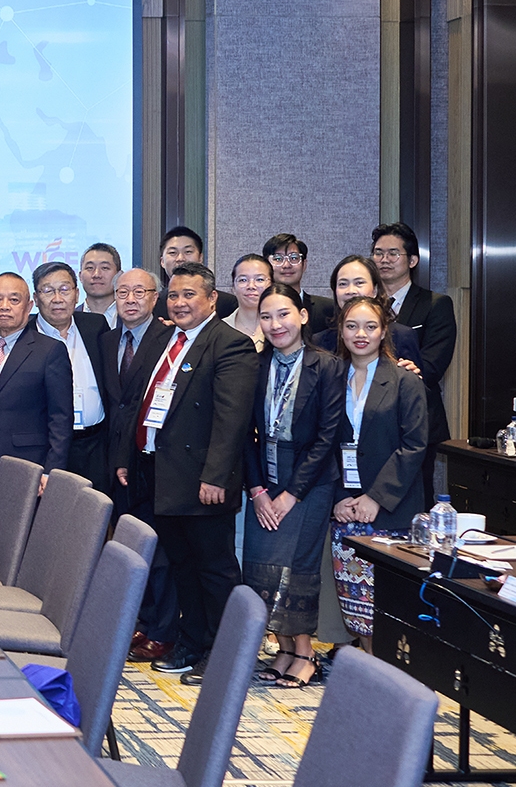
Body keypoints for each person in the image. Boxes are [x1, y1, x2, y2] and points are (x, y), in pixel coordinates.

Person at [109, 261, 258, 678]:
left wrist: (215, 476)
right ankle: (191, 642)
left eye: (189, 294)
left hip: (202, 480)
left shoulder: (230, 344)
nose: (179, 303)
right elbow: (139, 403)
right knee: (182, 568)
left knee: (214, 571)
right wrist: (128, 456)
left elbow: (232, 420)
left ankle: (224, 654)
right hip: (159, 473)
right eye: (173, 295)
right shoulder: (166, 340)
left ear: (212, 299)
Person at [242, 284, 345, 689]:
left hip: (309, 480)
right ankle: (282, 649)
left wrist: (291, 494)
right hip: (264, 477)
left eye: (283, 314)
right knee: (262, 565)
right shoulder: (255, 364)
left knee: (297, 567)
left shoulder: (327, 366)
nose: (275, 324)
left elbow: (327, 437)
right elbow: (243, 432)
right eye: (266, 317)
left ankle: (305, 653)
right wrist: (257, 490)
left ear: (302, 316)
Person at [328, 295, 431, 642]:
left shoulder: (405, 381)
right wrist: (337, 498)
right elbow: (322, 444)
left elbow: (414, 445)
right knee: (357, 612)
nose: (361, 334)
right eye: (352, 326)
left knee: (391, 612)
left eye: (370, 326)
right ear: (341, 331)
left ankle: (389, 676)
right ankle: (365, 670)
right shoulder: (330, 379)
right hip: (345, 512)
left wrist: (376, 497)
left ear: (384, 331)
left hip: (392, 512)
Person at [103, 268, 180, 662]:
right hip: (116, 461)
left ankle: (164, 630)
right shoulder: (106, 340)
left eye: (139, 292)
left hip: (152, 460)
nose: (130, 299)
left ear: (155, 297)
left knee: (159, 549)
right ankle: (146, 620)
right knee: (134, 544)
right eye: (123, 293)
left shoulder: (169, 339)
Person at [0, 270, 72, 503]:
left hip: (28, 467)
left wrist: (51, 471)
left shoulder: (50, 350)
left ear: (29, 305)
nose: (4, 306)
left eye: (14, 300)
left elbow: (61, 418)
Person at [371, 221, 456, 447]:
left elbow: (432, 366)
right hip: (371, 418)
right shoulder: (365, 307)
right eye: (378, 253)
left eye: (393, 253)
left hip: (417, 416)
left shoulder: (436, 304)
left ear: (412, 260)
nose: (384, 259)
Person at [30, 261, 107, 492]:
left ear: (76, 294)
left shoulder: (96, 326)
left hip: (95, 446)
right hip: (45, 448)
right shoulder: (25, 336)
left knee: (97, 511)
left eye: (64, 289)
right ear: (35, 298)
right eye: (48, 290)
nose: (57, 298)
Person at [310, 256, 423, 366]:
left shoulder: (402, 336)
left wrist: (411, 375)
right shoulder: (319, 341)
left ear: (375, 290)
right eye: (343, 284)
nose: (351, 290)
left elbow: (419, 379)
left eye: (359, 283)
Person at [153, 226, 237, 320]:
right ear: (162, 261)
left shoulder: (227, 303)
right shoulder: (154, 304)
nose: (180, 258)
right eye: (173, 253)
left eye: (188, 252)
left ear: (200, 258)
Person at [262, 233, 334, 338]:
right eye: (278, 259)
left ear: (304, 264)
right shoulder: (259, 309)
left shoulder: (328, 309)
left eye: (294, 258)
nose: (286, 265)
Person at [224, 253, 272, 349]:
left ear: (272, 285)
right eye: (243, 280)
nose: (251, 286)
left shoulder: (281, 328)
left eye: (259, 279)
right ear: (233, 288)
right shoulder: (220, 330)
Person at [78, 243, 122, 327]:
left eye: (105, 268)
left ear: (119, 276)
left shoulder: (133, 318)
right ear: (80, 276)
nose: (96, 275)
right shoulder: (69, 319)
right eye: (90, 268)